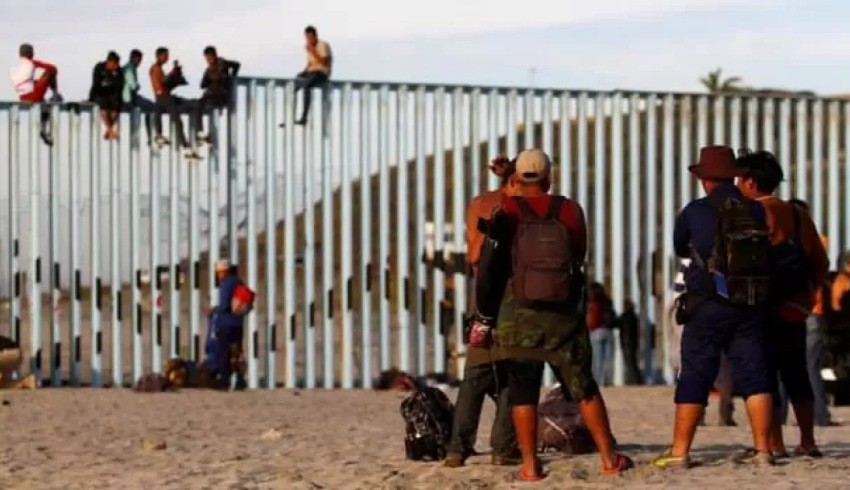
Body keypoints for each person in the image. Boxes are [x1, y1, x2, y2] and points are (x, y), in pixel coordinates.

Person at [472, 148, 633, 481]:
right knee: (584, 388)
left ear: (516, 177)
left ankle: (530, 466)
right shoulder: (570, 210)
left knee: (523, 393)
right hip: (563, 317)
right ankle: (607, 458)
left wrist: (485, 318)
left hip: (517, 317)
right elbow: (578, 256)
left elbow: (490, 269)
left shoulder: (506, 212)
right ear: (550, 177)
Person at [652, 145, 775, 469]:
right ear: (733, 175)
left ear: (704, 178)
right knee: (754, 372)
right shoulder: (755, 209)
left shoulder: (695, 211)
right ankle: (763, 449)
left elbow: (681, 246)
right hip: (748, 302)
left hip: (707, 302)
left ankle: (680, 451)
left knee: (695, 373)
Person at [735, 151, 828, 458]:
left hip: (759, 307)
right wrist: (807, 298)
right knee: (796, 372)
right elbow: (820, 261)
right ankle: (808, 440)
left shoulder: (748, 212)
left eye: (739, 178)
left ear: (750, 181)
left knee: (764, 374)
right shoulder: (799, 215)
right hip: (795, 308)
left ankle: (773, 443)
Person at [444, 156, 520, 468]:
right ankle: (503, 448)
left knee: (475, 375)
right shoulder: (522, 210)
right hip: (513, 300)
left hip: (481, 297)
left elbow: (473, 252)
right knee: (515, 374)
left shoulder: (479, 203)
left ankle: (456, 449)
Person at [784, 199, 837, 427]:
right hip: (811, 309)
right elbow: (821, 268)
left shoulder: (779, 240)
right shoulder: (815, 242)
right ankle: (818, 415)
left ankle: (779, 417)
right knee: (809, 366)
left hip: (786, 309)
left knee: (783, 366)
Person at [149, 46, 201, 159]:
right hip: (165, 98)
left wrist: (175, 78)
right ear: (159, 56)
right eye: (165, 55)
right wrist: (174, 73)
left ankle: (162, 136)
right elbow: (162, 84)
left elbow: (164, 84)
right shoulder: (156, 68)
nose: (167, 58)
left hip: (164, 98)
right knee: (177, 120)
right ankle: (186, 147)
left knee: (185, 110)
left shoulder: (156, 69)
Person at [10, 43, 62, 146]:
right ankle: (55, 94)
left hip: (23, 95)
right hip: (32, 94)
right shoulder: (31, 62)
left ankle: (43, 128)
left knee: (43, 102)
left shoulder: (19, 66)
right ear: (31, 53)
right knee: (51, 71)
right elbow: (52, 68)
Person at [209, 260, 247, 390]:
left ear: (221, 272)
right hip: (238, 323)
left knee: (223, 352)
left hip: (226, 324)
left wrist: (213, 310)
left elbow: (224, 305)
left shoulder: (225, 285)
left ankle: (224, 381)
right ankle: (240, 380)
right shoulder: (239, 282)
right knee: (237, 353)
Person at [286, 25, 332, 126]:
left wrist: (313, 51)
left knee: (306, 86)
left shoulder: (322, 45)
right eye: (307, 37)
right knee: (295, 84)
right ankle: (290, 115)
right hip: (312, 71)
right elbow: (310, 63)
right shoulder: (308, 46)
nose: (308, 40)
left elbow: (323, 62)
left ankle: (304, 117)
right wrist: (304, 72)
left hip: (321, 72)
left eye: (310, 37)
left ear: (315, 36)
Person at [196, 46, 240, 143]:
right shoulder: (208, 70)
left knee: (201, 105)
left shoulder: (223, 63)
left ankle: (201, 133)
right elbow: (202, 84)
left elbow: (237, 65)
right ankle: (201, 133)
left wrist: (232, 78)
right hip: (212, 95)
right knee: (199, 105)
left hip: (220, 95)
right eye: (207, 58)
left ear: (215, 56)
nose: (208, 60)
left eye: (210, 58)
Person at [122, 49, 163, 147]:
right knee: (151, 106)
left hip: (129, 96)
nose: (140, 62)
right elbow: (132, 84)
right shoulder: (129, 68)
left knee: (149, 105)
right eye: (139, 60)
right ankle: (151, 136)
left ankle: (151, 136)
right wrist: (137, 86)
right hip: (129, 98)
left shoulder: (128, 67)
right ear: (134, 58)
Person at [584, 282, 616, 385]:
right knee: (608, 359)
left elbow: (590, 320)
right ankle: (608, 381)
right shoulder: (607, 303)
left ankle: (598, 382)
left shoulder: (591, 304)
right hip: (608, 331)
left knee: (597, 360)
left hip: (596, 332)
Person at [88, 51, 125, 140]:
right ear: (109, 62)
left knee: (115, 108)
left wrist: (119, 102)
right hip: (99, 92)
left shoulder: (118, 71)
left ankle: (109, 130)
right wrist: (92, 98)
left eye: (117, 64)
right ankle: (110, 130)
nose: (116, 66)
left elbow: (120, 87)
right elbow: (96, 84)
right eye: (114, 64)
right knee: (103, 106)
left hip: (112, 94)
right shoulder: (99, 67)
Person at [618, 299, 643, 385]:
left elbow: (614, 323)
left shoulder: (624, 317)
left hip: (626, 343)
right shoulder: (634, 317)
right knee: (633, 362)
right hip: (633, 343)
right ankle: (637, 379)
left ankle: (634, 380)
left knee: (630, 363)